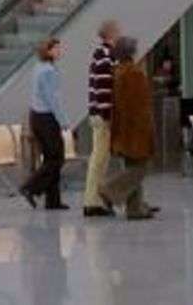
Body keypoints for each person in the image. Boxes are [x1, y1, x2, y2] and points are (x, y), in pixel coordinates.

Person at [100, 37, 157, 220]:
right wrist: (147, 127)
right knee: (140, 168)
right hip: (135, 129)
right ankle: (109, 191)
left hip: (123, 129)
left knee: (133, 165)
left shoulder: (118, 71)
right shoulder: (133, 73)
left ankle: (135, 208)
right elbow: (137, 106)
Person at [20, 38, 71, 210]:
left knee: (50, 157)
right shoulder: (49, 71)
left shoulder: (38, 68)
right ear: (47, 51)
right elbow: (53, 99)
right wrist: (63, 121)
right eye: (56, 48)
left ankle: (53, 200)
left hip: (36, 116)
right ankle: (30, 187)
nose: (59, 51)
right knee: (56, 158)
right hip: (47, 118)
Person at [81, 20, 121, 217]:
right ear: (111, 34)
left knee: (100, 158)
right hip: (102, 114)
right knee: (99, 158)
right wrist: (108, 114)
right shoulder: (105, 56)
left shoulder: (102, 54)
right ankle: (92, 201)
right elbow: (103, 87)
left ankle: (94, 198)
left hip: (98, 112)